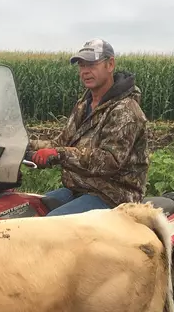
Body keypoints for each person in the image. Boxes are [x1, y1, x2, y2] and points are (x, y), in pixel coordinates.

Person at [27, 38, 151, 216]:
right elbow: (62, 141)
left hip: (113, 196)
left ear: (110, 64)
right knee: (29, 210)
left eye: (92, 64)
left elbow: (109, 160)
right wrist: (24, 145)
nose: (85, 71)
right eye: (81, 65)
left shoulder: (125, 110)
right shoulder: (84, 104)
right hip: (80, 189)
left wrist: (59, 154)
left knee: (49, 226)